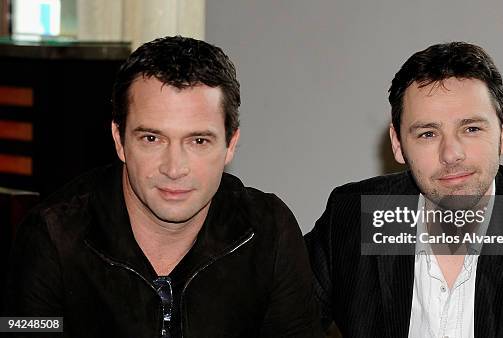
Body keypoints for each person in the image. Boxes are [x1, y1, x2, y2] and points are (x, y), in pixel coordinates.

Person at [2, 36, 321, 337]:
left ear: (230, 145)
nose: (174, 168)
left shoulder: (268, 231)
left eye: (198, 141)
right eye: (152, 138)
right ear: (119, 140)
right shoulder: (52, 235)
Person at [306, 42, 503, 337]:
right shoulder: (353, 215)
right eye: (427, 133)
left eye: (471, 129)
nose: (451, 153)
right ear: (398, 144)